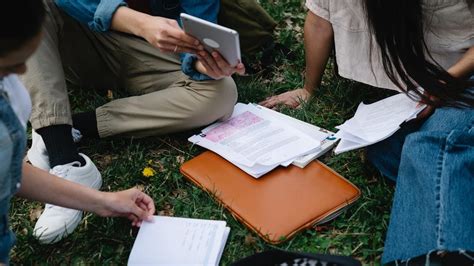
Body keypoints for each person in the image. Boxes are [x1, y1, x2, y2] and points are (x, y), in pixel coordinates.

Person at [261, 0, 474, 265]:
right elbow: (320, 18)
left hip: (463, 77)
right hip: (424, 89)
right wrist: (308, 89)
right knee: (385, 152)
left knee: (433, 148)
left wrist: (448, 80)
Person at [21, 0, 246, 244]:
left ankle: (70, 127)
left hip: (150, 56)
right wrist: (140, 23)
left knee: (222, 92)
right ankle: (64, 158)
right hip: (80, 39)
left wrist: (205, 63)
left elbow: (198, 32)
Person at [0, 1, 156, 264]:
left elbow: (10, 172)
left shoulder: (12, 93)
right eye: (10, 66)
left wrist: (103, 202)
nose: (23, 73)